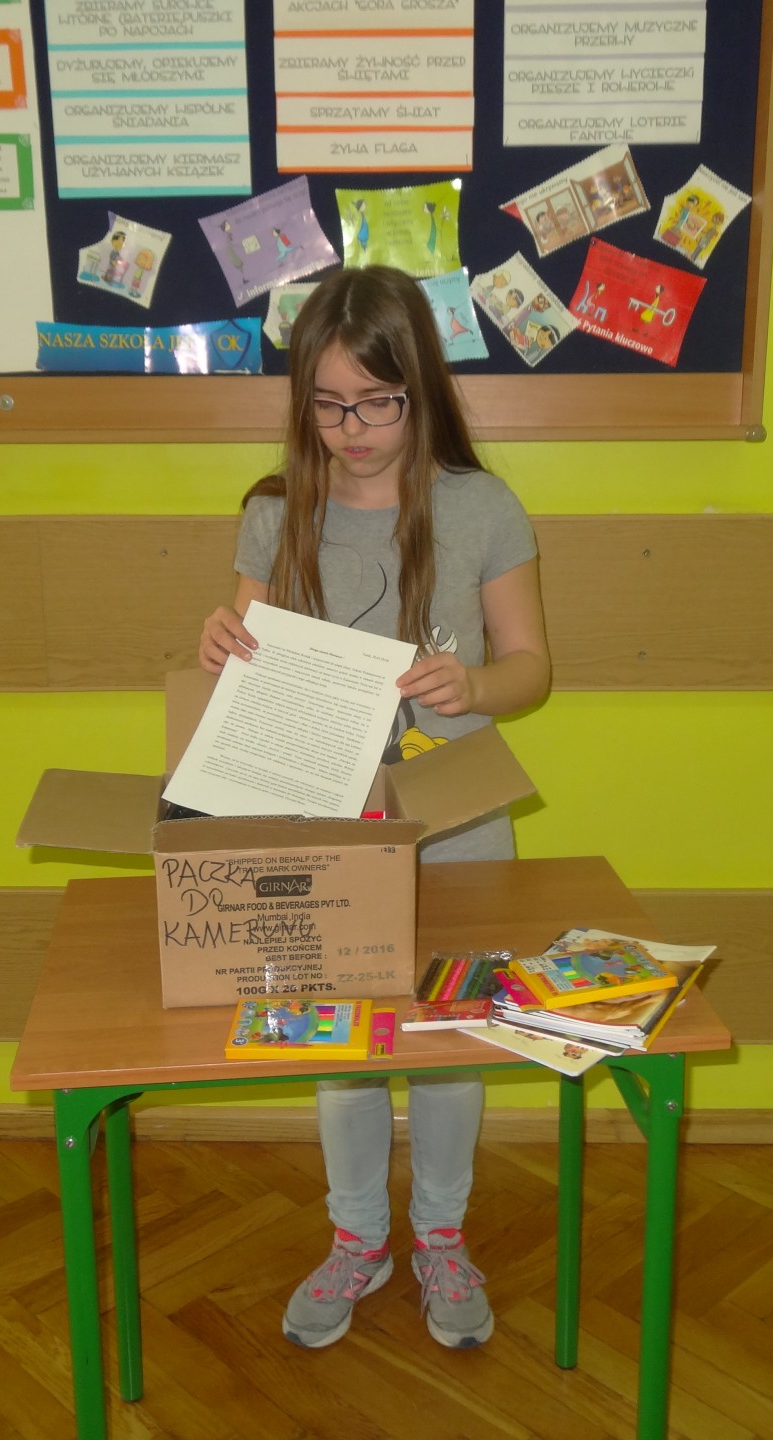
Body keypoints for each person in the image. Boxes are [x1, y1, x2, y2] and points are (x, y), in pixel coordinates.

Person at [198, 265, 551, 1352]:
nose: (352, 431)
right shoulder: (276, 513)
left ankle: (440, 1234)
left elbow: (532, 668)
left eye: (376, 404)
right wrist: (219, 645)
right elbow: (246, 670)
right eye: (328, 405)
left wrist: (474, 685)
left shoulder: (481, 507)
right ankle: (358, 1237)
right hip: (327, 828)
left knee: (447, 1037)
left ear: (420, 388)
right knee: (339, 1042)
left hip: (458, 823)